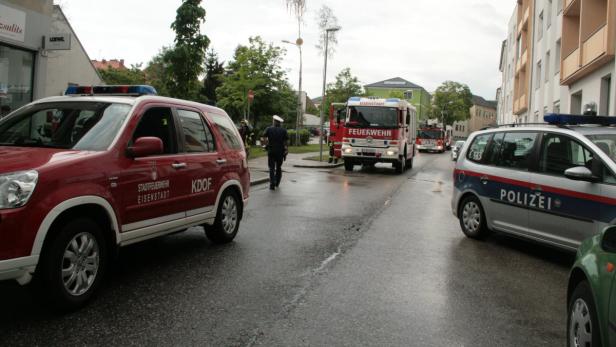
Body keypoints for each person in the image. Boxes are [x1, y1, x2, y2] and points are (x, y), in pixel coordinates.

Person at [261, 115, 288, 190]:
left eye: (273, 120)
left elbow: (263, 137)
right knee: (279, 167)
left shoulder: (268, 129)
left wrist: (265, 145)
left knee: (271, 168)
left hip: (271, 151)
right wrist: (286, 150)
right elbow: (285, 142)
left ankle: (272, 183)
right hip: (280, 152)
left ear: (275, 121)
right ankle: (277, 182)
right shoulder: (283, 130)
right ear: (279, 123)